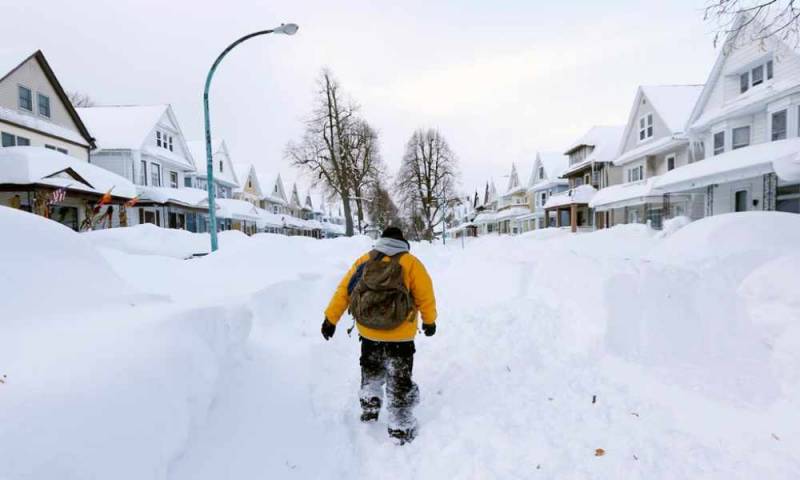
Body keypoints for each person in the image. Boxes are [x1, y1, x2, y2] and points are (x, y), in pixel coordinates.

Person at [321, 226, 437, 444]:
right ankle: (400, 426)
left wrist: (330, 319)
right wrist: (429, 322)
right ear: (403, 242)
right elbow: (425, 296)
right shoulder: (411, 263)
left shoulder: (365, 260)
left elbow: (344, 290)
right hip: (401, 335)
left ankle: (370, 402)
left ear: (381, 241)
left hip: (369, 331)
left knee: (371, 367)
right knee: (399, 377)